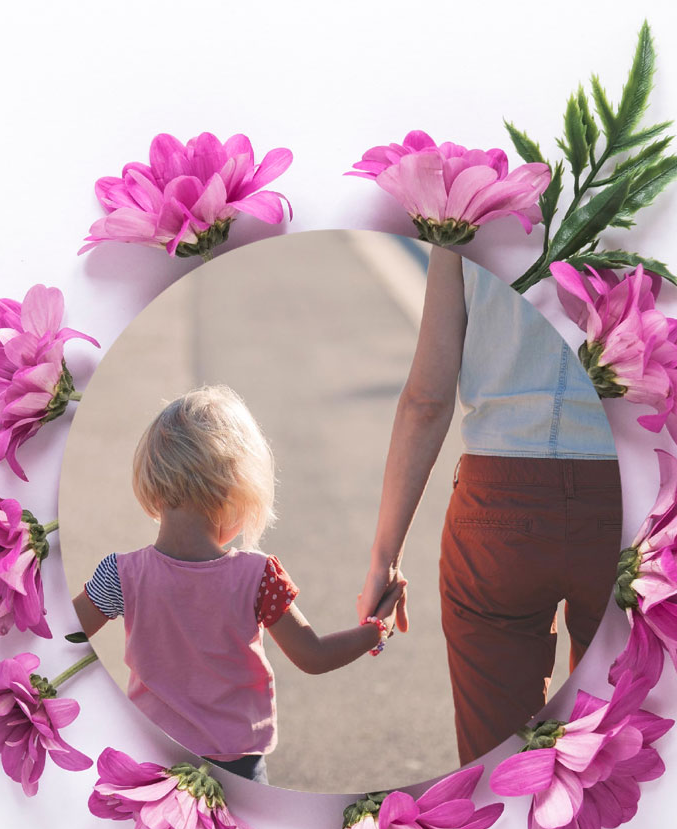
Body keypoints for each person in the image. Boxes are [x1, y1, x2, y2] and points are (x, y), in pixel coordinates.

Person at [357, 249, 621, 766]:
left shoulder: (464, 220)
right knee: (618, 742)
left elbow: (426, 401)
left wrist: (384, 559)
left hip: (497, 508)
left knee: (498, 765)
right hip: (615, 499)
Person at [73, 384, 404, 784]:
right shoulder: (259, 577)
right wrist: (376, 630)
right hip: (236, 765)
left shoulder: (121, 574)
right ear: (235, 488)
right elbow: (313, 656)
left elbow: (62, 635)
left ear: (152, 478)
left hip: (150, 757)